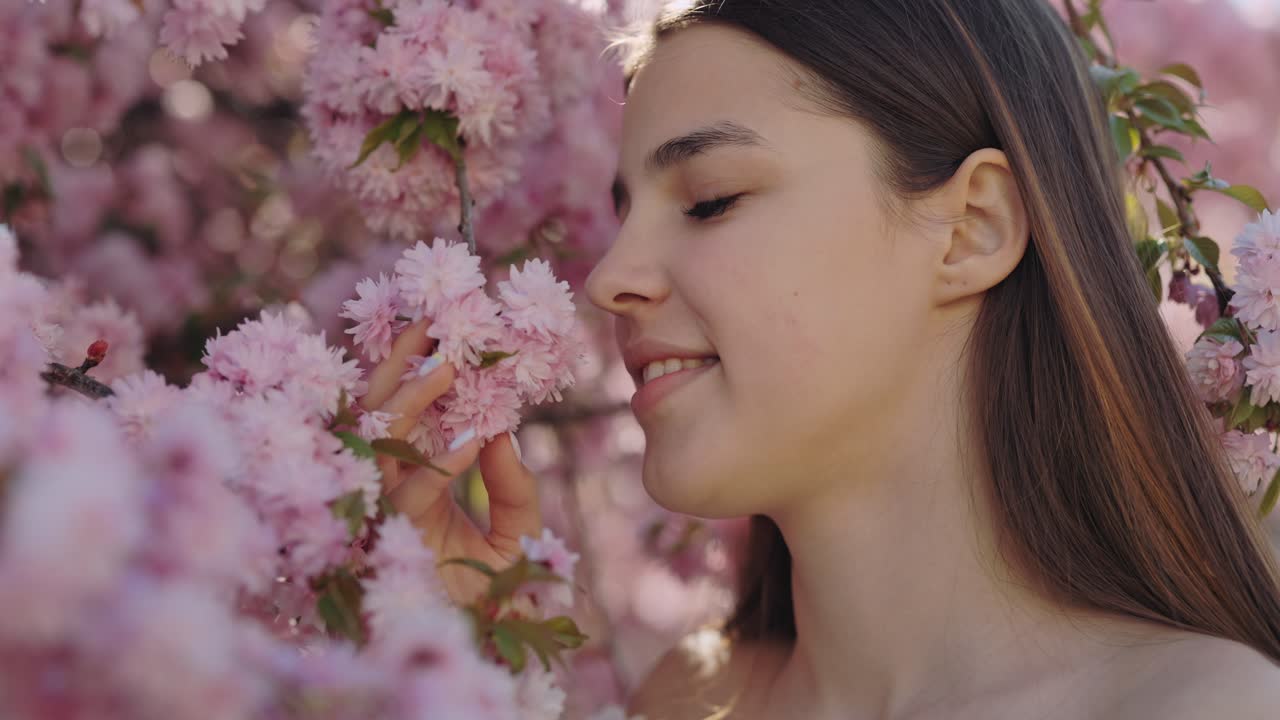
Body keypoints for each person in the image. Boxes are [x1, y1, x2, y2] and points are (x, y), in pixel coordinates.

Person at [361, 1, 1280, 717]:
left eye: (710, 200)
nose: (607, 280)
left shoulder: (1203, 708)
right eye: (623, 213)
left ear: (972, 227)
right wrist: (460, 666)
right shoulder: (685, 703)